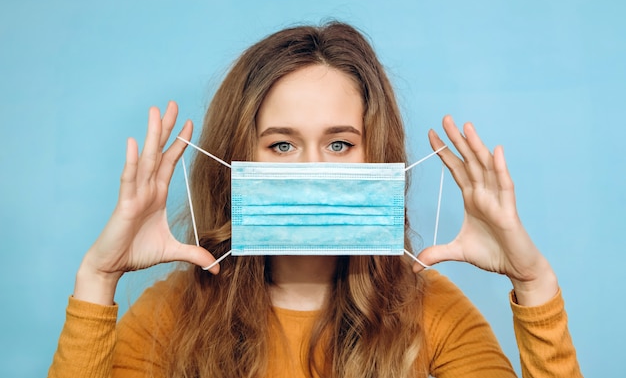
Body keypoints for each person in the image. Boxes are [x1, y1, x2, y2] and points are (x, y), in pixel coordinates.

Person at [48, 22, 581, 378]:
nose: (311, 170)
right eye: (282, 144)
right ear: (236, 163)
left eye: (340, 144)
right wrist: (99, 279)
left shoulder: (432, 313)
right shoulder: (171, 313)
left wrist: (533, 284)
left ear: (377, 157)